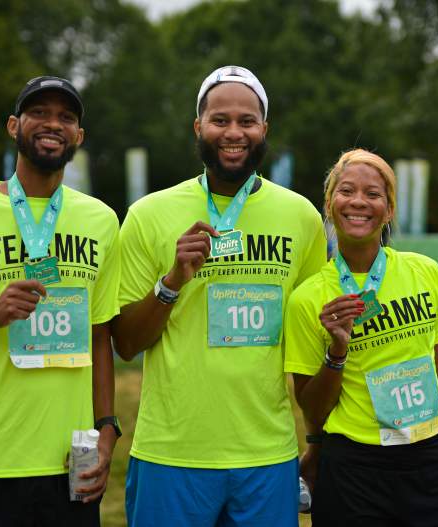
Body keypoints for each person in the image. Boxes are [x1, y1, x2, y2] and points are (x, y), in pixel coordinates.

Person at [113, 65, 327, 527]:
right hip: (172, 453)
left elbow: (310, 346)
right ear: (198, 126)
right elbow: (126, 343)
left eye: (247, 121)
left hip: (266, 455)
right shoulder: (149, 215)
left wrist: (318, 441)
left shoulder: (302, 218)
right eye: (220, 120)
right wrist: (171, 283)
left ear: (264, 129)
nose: (234, 132)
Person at [284, 149, 438, 527]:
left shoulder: (425, 272)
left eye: (374, 194)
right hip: (353, 471)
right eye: (346, 191)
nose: (359, 201)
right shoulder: (307, 299)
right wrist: (337, 350)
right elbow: (312, 411)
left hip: (429, 463)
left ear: (389, 209)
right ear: (329, 206)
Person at [0, 76, 121, 527]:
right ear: (14, 126)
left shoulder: (101, 220)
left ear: (79, 137)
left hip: (69, 462)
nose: (53, 124)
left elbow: (99, 334)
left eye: (66, 117)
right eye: (39, 113)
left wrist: (107, 428)